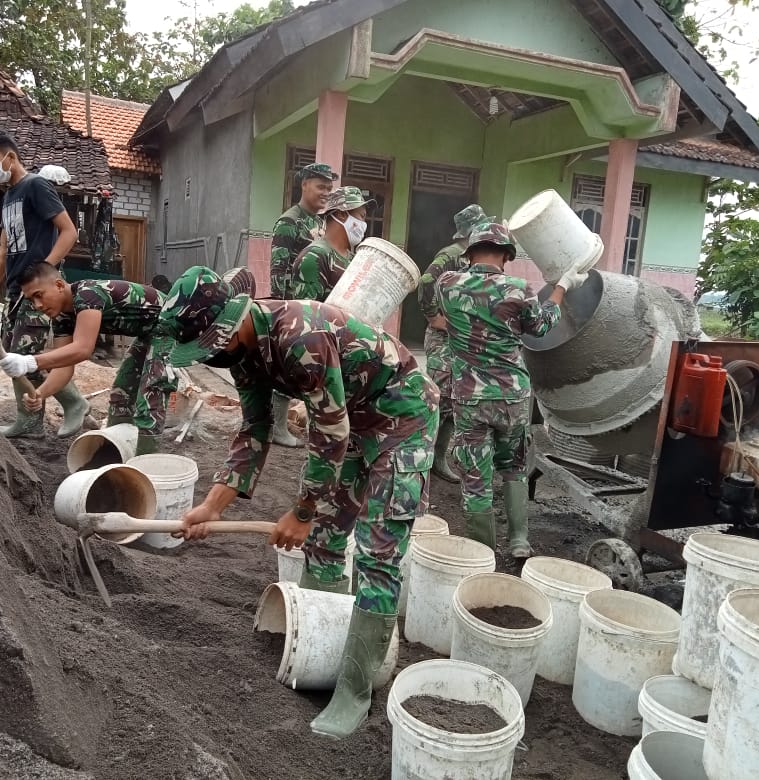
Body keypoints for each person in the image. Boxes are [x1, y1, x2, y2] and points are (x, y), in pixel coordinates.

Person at [163, 266, 439, 739]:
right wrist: (212, 506)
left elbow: (328, 435)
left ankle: (354, 690)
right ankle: (326, 646)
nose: (212, 355)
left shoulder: (300, 337)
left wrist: (303, 511)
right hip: (351, 416)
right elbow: (253, 431)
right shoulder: (245, 357)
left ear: (232, 323)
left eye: (213, 343)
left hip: (403, 414)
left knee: (378, 551)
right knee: (326, 543)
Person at [437, 222, 587, 559]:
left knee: (475, 477)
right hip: (511, 397)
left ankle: (483, 552)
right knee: (515, 466)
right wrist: (561, 287)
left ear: (470, 253)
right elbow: (541, 327)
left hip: (469, 396)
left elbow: (453, 310)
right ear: (506, 256)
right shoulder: (520, 289)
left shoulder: (447, 284)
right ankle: (519, 541)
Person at [0, 263, 255, 456]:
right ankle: (115, 451)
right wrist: (40, 393)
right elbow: (65, 368)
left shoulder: (87, 294)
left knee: (151, 391)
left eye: (38, 295)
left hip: (168, 326)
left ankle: (145, 463)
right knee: (121, 392)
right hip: (147, 333)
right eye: (31, 299)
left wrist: (31, 362)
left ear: (58, 285)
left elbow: (83, 349)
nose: (37, 305)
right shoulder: (64, 317)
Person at [0, 129, 89, 439]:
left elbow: (68, 232)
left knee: (25, 354)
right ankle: (70, 402)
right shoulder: (8, 197)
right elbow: (2, 249)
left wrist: (46, 270)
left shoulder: (36, 186)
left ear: (10, 157)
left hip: (38, 291)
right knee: (16, 355)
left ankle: (36, 417)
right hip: (16, 291)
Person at [417, 203, 492, 484]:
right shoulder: (451, 255)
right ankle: (421, 458)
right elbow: (425, 282)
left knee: (454, 399)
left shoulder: (473, 256)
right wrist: (433, 316)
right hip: (442, 339)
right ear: (471, 229)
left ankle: (437, 459)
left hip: (459, 338)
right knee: (438, 398)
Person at [268, 162, 339, 447]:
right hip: (294, 308)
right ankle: (278, 428)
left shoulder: (320, 223)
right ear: (304, 185)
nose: (325, 193)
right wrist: (288, 310)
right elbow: (278, 271)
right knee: (287, 366)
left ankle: (313, 426)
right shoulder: (290, 221)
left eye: (329, 189)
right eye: (320, 187)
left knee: (314, 367)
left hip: (316, 306)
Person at [288, 186, 375, 301]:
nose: (364, 224)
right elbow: (306, 313)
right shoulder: (315, 257)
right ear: (342, 214)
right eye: (362, 216)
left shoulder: (353, 259)